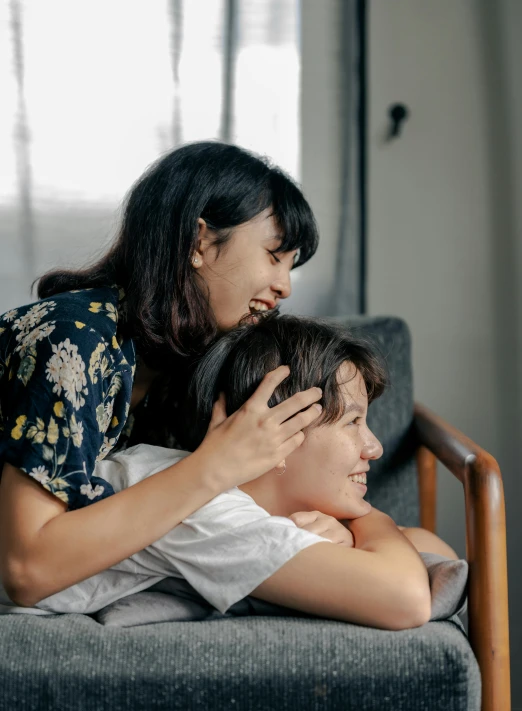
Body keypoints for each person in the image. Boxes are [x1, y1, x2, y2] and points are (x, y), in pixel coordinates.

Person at [0, 141, 324, 609]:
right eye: (274, 256)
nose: (285, 286)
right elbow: (27, 569)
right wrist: (215, 466)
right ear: (200, 242)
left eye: (291, 266)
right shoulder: (74, 339)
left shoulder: (184, 363)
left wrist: (302, 529)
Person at [0, 314, 458, 631]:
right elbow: (407, 598)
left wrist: (349, 532)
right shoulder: (210, 513)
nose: (374, 448)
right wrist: (367, 521)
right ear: (280, 432)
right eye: (354, 421)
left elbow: (434, 553)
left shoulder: (221, 499)